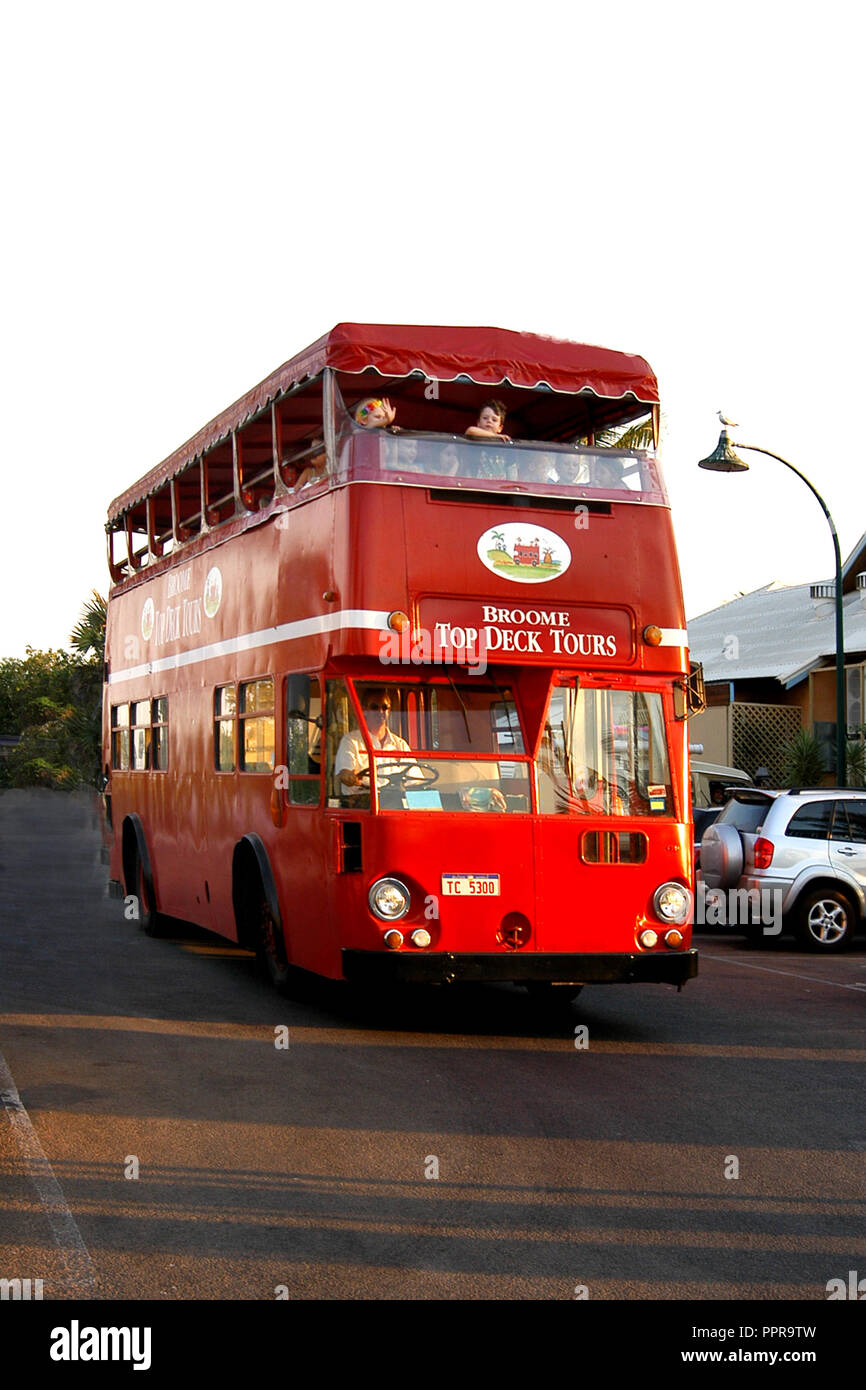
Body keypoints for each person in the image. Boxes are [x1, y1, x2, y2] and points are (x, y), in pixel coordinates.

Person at [334, 688, 416, 796]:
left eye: (385, 707)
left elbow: (415, 780)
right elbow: (345, 774)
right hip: (362, 804)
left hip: (395, 803)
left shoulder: (400, 744)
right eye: (374, 707)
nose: (381, 712)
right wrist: (349, 777)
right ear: (364, 711)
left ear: (389, 711)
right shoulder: (351, 741)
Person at [465, 399, 511, 479]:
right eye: (485, 418)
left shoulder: (503, 447)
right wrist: (494, 436)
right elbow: (470, 430)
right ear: (478, 423)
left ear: (500, 428)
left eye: (494, 420)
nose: (489, 421)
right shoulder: (474, 437)